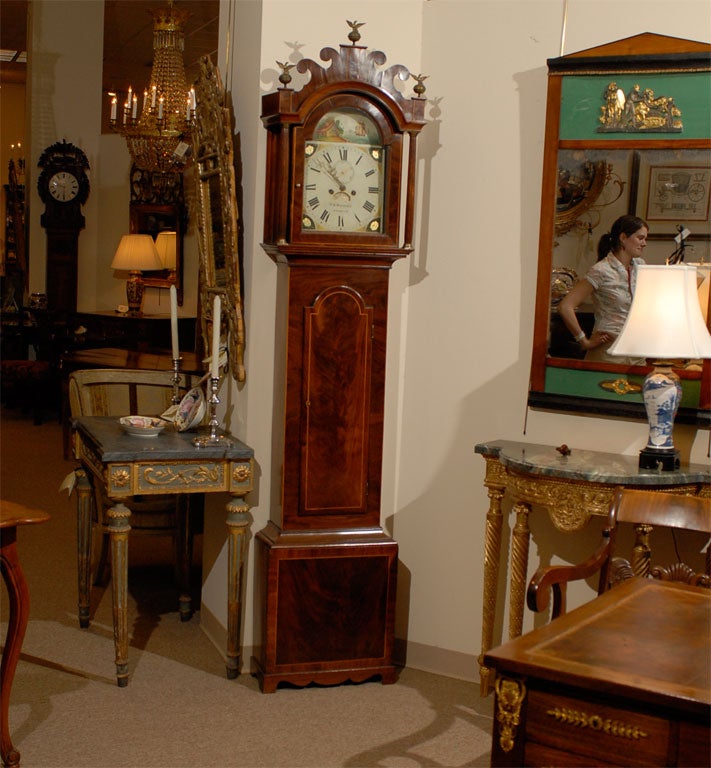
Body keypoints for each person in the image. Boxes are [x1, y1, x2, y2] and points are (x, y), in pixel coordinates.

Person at [557, 214, 648, 364]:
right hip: (609, 352)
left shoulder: (641, 266)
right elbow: (565, 306)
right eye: (640, 238)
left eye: (645, 239)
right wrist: (584, 341)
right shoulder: (601, 270)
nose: (644, 243)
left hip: (636, 351)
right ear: (623, 237)